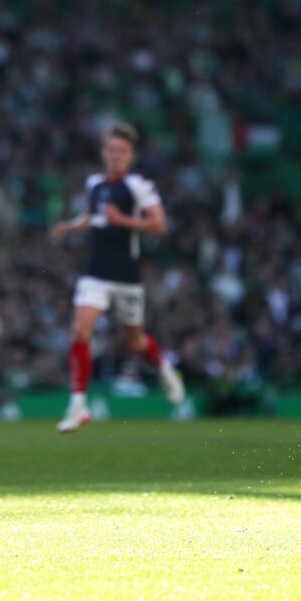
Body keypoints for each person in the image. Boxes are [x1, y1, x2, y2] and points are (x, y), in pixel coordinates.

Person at [52, 122, 185, 433]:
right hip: (95, 273)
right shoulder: (94, 184)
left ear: (132, 155)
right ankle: (78, 405)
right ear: (103, 153)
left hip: (126, 276)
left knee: (136, 342)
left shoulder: (139, 186)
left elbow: (159, 226)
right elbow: (95, 217)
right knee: (80, 331)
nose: (115, 155)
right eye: (111, 150)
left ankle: (164, 368)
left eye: (122, 151)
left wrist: (122, 220)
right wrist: (71, 227)